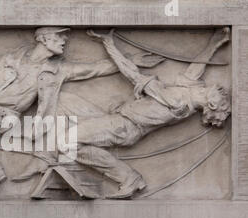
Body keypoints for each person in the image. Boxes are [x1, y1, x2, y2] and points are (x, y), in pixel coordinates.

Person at [0, 27, 131, 199]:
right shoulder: (12, 58)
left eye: (64, 37)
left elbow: (95, 69)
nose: (64, 40)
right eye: (59, 36)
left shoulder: (56, 70)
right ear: (43, 39)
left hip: (3, 117)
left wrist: (128, 62)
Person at [66, 28, 231, 199]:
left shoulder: (176, 101)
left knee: (67, 141)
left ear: (211, 103)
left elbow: (131, 73)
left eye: (221, 94)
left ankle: (128, 178)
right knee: (67, 111)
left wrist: (109, 44)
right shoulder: (190, 93)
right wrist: (215, 43)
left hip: (123, 127)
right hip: (120, 119)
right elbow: (196, 69)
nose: (219, 88)